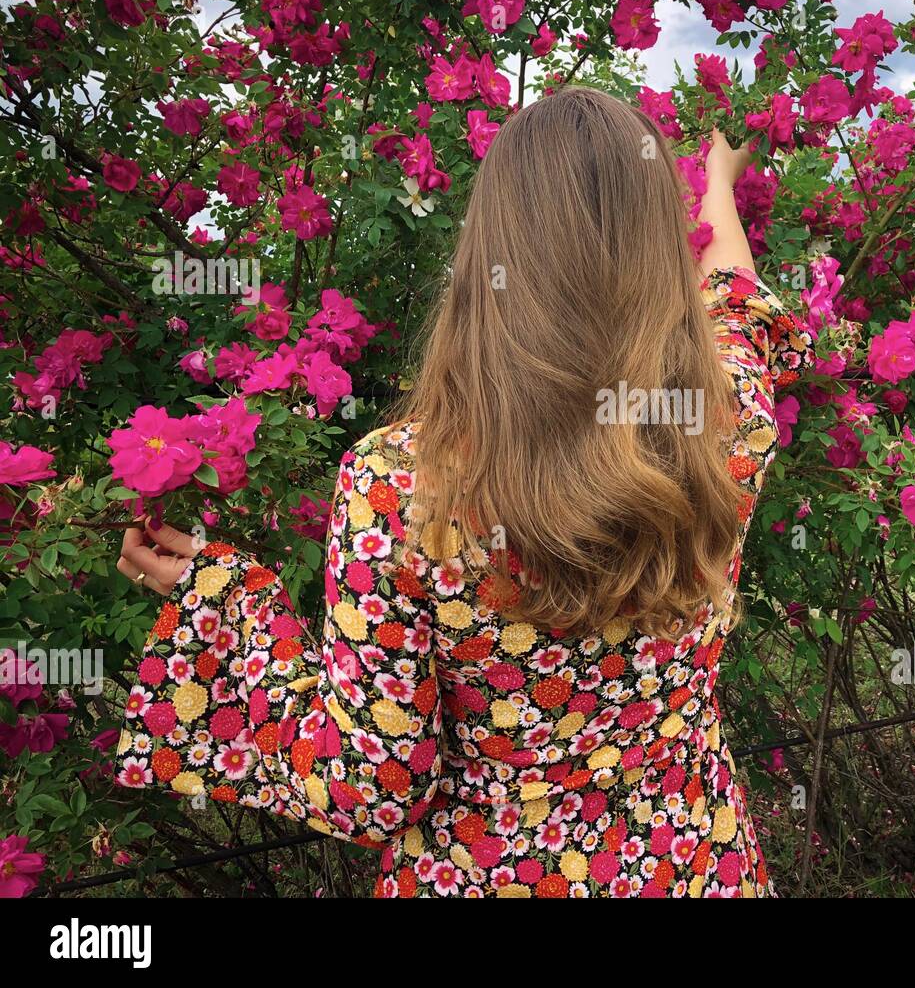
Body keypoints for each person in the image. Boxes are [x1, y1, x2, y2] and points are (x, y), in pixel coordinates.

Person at [114, 87, 811, 898]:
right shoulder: (726, 421)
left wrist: (225, 608)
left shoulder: (402, 486)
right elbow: (735, 293)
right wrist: (718, 178)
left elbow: (372, 786)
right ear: (660, 251)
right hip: (694, 863)